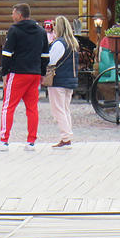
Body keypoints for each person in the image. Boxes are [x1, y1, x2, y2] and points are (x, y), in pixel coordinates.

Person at [0, 3, 49, 150]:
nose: (12, 16)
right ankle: (31, 142)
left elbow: (6, 54)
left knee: (8, 106)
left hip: (17, 73)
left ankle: (4, 140)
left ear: (19, 15)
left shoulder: (14, 30)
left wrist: (4, 73)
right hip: (35, 73)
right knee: (32, 108)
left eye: (13, 13)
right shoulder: (41, 31)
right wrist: (42, 72)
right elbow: (45, 55)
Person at [46, 15, 79, 149]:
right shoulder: (73, 43)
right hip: (70, 78)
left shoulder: (59, 43)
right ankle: (67, 135)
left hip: (58, 79)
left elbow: (51, 61)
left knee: (58, 109)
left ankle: (66, 138)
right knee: (65, 109)